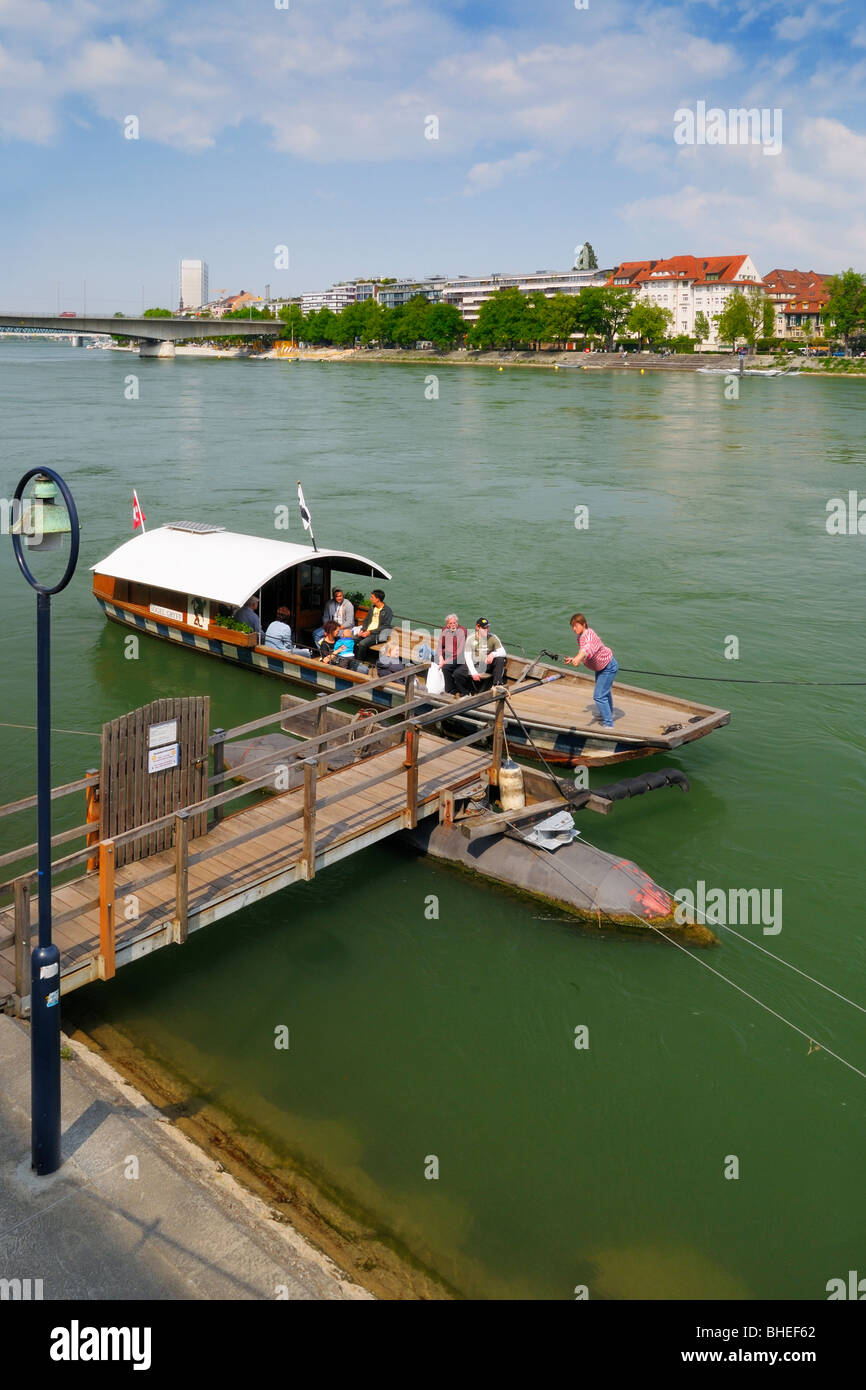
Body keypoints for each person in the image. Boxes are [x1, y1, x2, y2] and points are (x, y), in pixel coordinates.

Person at [564, 612, 618, 729]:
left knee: (599, 696)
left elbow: (587, 649)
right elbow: (584, 653)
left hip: (608, 666)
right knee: (605, 692)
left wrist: (578, 658)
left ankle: (608, 724)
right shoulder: (580, 637)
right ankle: (609, 713)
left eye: (576, 626)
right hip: (600, 667)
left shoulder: (590, 635)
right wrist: (574, 658)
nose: (574, 629)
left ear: (583, 624)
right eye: (572, 626)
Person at [462, 618, 507, 693]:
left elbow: (503, 652)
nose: (486, 630)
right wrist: (473, 672)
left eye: (487, 627)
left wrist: (493, 654)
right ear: (477, 627)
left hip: (488, 664)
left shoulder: (493, 637)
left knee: (501, 659)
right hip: (476, 665)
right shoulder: (470, 639)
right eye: (484, 628)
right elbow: (467, 657)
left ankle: (497, 684)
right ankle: (468, 691)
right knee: (459, 673)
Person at [352, 589, 393, 667]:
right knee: (353, 640)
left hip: (378, 635)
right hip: (367, 632)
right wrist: (362, 630)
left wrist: (370, 632)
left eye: (372, 597)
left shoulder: (388, 611)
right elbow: (366, 620)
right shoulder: (372, 608)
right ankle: (352, 658)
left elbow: (386, 626)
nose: (370, 599)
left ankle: (359, 662)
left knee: (362, 644)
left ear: (377, 599)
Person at [435, 613, 468, 695]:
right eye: (451, 623)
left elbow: (460, 651)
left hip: (459, 656)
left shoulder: (462, 631)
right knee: (433, 662)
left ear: (457, 623)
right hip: (447, 655)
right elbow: (439, 646)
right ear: (447, 625)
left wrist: (446, 661)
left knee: (446, 667)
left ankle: (450, 690)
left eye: (455, 623)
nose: (453, 625)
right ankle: (437, 686)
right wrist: (440, 658)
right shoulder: (444, 630)